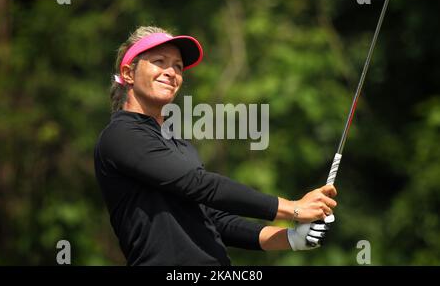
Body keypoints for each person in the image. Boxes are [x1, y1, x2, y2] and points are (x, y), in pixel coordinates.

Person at [94, 26, 338, 266]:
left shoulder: (177, 143)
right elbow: (201, 185)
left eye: (178, 66)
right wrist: (293, 208)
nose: (171, 72)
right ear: (128, 73)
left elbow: (213, 219)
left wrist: (292, 238)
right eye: (159, 61)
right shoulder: (120, 135)